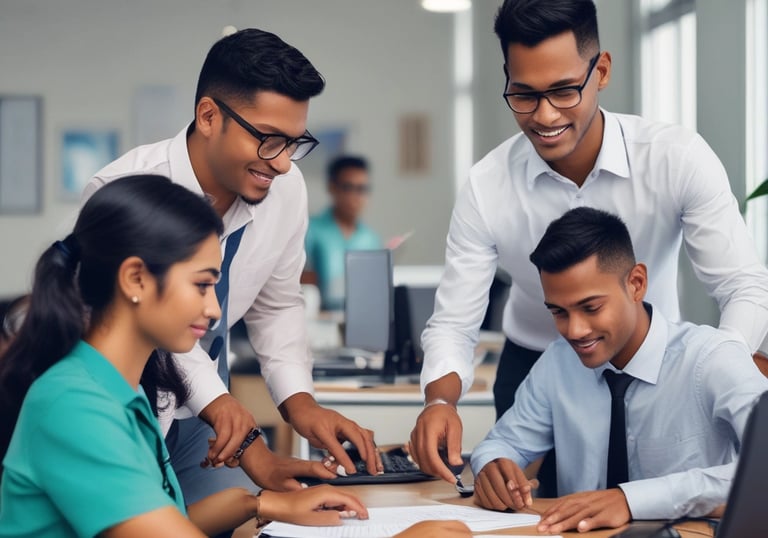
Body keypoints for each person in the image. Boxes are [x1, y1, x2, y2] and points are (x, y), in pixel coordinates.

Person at [411, 0, 768, 494]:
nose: (544, 115)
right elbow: (454, 322)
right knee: (531, 507)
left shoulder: (675, 158)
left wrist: (715, 368)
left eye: (563, 90)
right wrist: (439, 404)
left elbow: (742, 283)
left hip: (659, 365)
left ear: (601, 70)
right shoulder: (487, 185)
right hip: (535, 363)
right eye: (524, 95)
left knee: (664, 500)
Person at [0, 175, 470, 538]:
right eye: (202, 284)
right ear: (136, 279)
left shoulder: (119, 391)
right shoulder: (76, 405)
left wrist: (260, 504)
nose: (215, 309)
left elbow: (163, 518)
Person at [84, 28, 380, 507]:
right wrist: (226, 411)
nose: (283, 163)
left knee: (251, 522)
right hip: (130, 409)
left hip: (212, 425)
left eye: (294, 142)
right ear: (208, 116)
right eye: (268, 140)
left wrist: (300, 404)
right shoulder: (122, 192)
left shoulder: (286, 187)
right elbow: (139, 322)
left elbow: (278, 303)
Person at [470, 207, 768, 533]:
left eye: (591, 307)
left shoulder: (711, 358)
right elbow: (501, 445)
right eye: (559, 312)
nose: (575, 330)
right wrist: (493, 468)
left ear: (636, 283)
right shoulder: (557, 363)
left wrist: (630, 500)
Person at [303, 155, 381, 311]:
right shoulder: (310, 229)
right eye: (348, 188)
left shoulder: (370, 239)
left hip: (360, 317)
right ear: (332, 188)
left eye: (362, 189)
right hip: (317, 319)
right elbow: (297, 280)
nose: (356, 197)